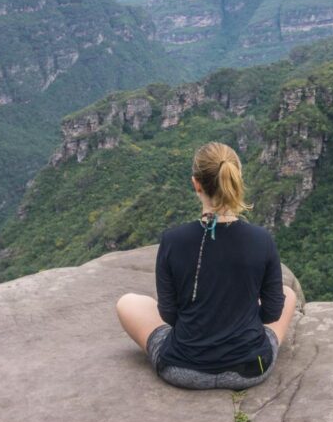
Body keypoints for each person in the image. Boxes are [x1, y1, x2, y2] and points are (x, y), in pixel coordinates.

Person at [116, 141, 297, 389]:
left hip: (182, 369)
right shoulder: (261, 240)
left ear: (196, 183)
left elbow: (169, 316)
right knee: (288, 294)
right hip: (250, 368)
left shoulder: (173, 240)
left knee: (128, 303)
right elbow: (271, 314)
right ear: (236, 179)